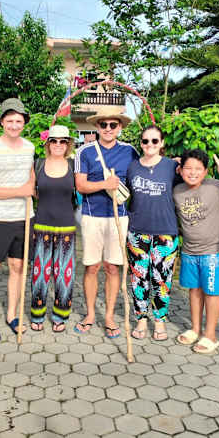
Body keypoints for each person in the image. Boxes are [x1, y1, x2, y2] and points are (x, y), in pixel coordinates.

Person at [173, 149, 219, 353]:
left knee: (212, 293)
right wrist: (172, 162)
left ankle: (210, 335)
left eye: (198, 169)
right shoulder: (177, 190)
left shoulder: (215, 186)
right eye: (188, 168)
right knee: (194, 290)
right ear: (180, 170)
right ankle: (195, 329)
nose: (193, 172)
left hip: (214, 251)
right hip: (189, 251)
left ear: (206, 171)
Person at [74, 111, 138, 338]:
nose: (108, 128)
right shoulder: (85, 152)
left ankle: (109, 316)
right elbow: (80, 185)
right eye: (103, 124)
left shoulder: (130, 151)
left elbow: (138, 179)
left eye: (113, 124)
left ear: (120, 127)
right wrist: (105, 184)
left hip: (119, 216)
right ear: (97, 127)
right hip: (92, 216)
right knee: (92, 267)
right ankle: (90, 314)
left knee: (112, 267)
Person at [0, 98, 35, 342]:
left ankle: (12, 314)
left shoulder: (30, 147)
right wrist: (21, 191)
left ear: (24, 123)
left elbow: (31, 179)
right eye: (9, 120)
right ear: (1, 121)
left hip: (23, 218)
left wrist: (29, 189)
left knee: (18, 267)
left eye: (18, 121)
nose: (14, 125)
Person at [125, 125, 181, 341]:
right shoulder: (132, 167)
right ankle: (141, 319)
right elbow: (125, 193)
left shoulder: (172, 167)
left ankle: (159, 320)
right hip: (137, 231)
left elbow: (190, 182)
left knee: (162, 279)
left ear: (162, 143)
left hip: (165, 231)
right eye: (145, 141)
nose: (150, 145)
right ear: (141, 143)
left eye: (154, 141)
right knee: (139, 278)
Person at [30, 125, 77, 332]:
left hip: (66, 226)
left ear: (68, 144)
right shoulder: (38, 164)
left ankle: (60, 315)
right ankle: (37, 314)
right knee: (40, 272)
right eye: (54, 141)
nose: (58, 144)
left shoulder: (73, 165)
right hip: (41, 224)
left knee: (64, 273)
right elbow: (31, 191)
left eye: (62, 141)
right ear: (48, 143)